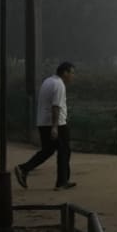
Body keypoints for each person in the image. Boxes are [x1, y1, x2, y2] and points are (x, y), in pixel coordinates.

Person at [14, 62, 77, 190]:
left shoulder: (48, 81)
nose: (73, 76)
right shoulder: (59, 85)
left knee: (48, 150)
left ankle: (24, 168)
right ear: (65, 73)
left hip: (43, 122)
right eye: (72, 73)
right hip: (57, 124)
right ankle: (62, 182)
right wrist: (54, 127)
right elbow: (55, 106)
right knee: (64, 151)